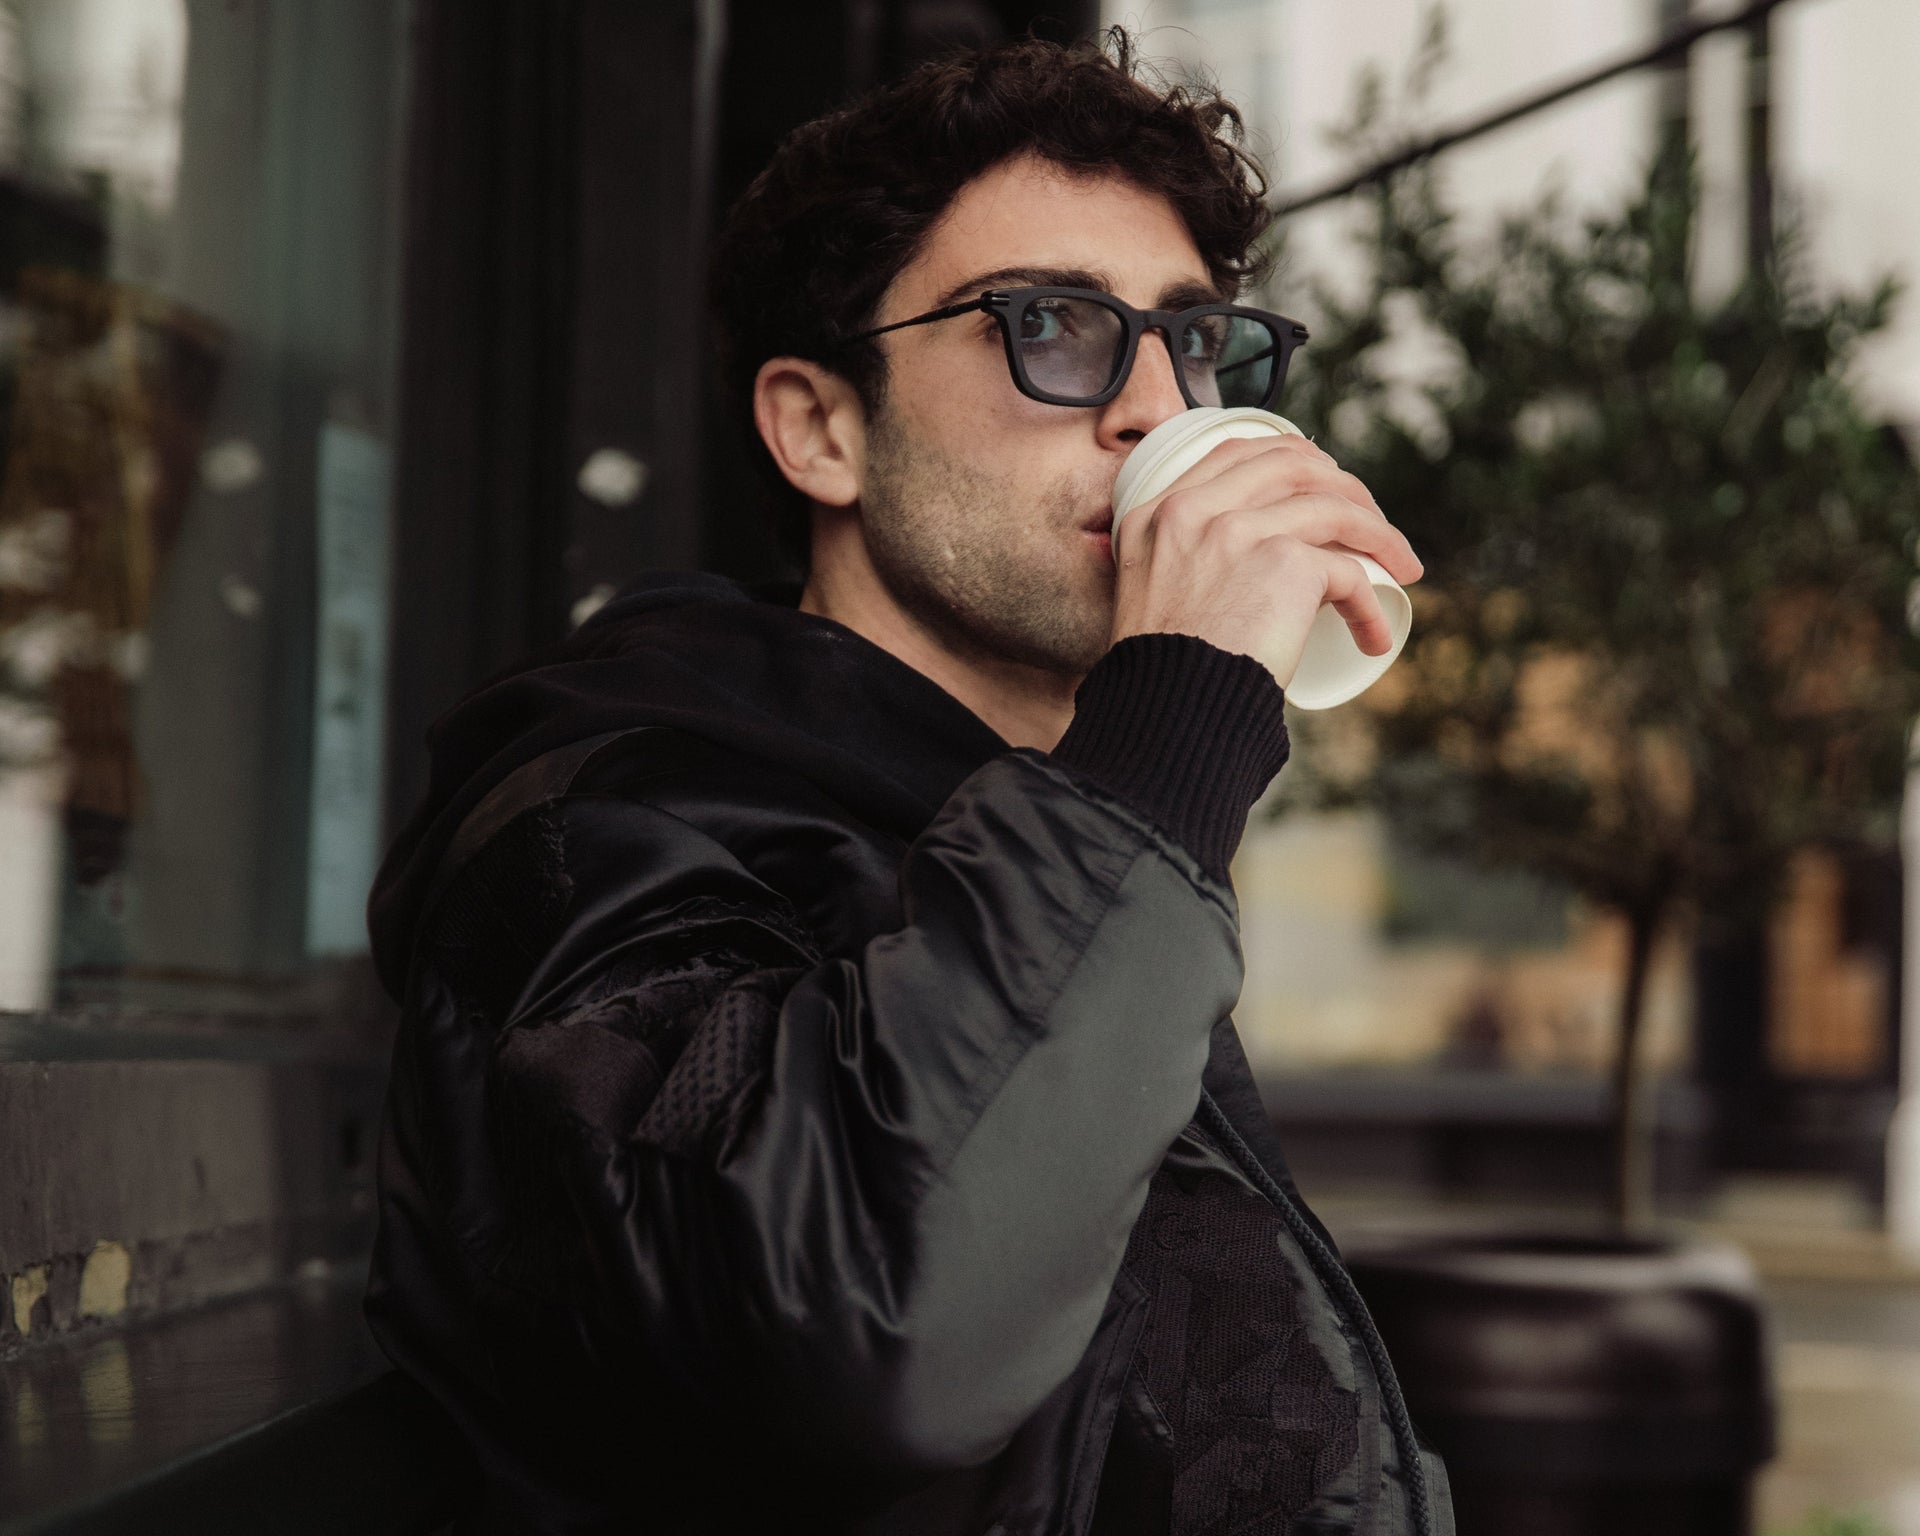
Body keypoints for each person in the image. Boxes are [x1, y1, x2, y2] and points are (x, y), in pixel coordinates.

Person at [365, 30, 1453, 1536]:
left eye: (1193, 340)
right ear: (820, 427)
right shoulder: (610, 831)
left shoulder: (1032, 828)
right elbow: (871, 1320)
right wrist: (1171, 727)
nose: (1160, 409)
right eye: (1053, 327)